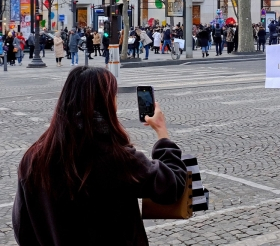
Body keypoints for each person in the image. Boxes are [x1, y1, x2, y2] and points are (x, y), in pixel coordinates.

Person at [12, 66, 187, 246]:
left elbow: (23, 229)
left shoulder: (34, 158)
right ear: (106, 103)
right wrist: (162, 133)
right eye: (114, 96)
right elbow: (171, 185)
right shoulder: (116, 157)